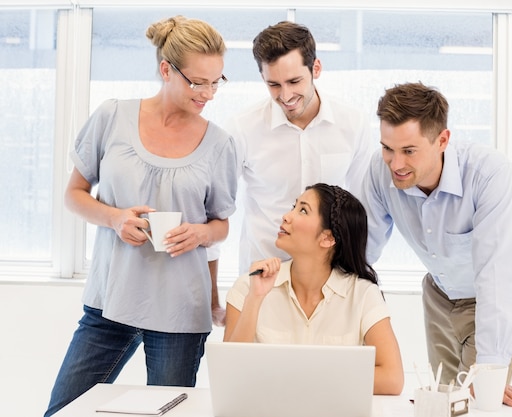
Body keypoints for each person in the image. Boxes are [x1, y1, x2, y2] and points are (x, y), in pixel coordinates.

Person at [44, 16, 237, 416]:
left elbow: (221, 224)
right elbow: (74, 196)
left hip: (181, 312)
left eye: (216, 81)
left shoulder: (220, 144)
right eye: (198, 82)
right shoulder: (112, 117)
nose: (209, 93)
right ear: (166, 69)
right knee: (62, 411)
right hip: (110, 302)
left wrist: (199, 235)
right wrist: (115, 218)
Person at [362, 82, 512, 407]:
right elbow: (362, 254)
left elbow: (496, 276)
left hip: (490, 298)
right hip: (439, 297)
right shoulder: (378, 169)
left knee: (476, 403)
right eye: (388, 147)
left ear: (442, 140)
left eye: (409, 151)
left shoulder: (487, 173)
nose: (395, 163)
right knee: (437, 404)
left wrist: (490, 371)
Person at [209, 21, 373, 277]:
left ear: (316, 68)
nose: (285, 95)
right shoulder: (241, 129)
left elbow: (364, 209)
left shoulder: (353, 124)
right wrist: (212, 295)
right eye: (274, 84)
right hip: (262, 276)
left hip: (329, 276)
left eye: (294, 81)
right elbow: (215, 209)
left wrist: (355, 270)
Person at [224, 183, 404, 395]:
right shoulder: (248, 286)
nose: (286, 216)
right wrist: (254, 299)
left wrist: (300, 379)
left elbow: (392, 379)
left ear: (327, 238)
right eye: (294, 206)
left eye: (302, 210)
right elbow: (228, 374)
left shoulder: (362, 294)